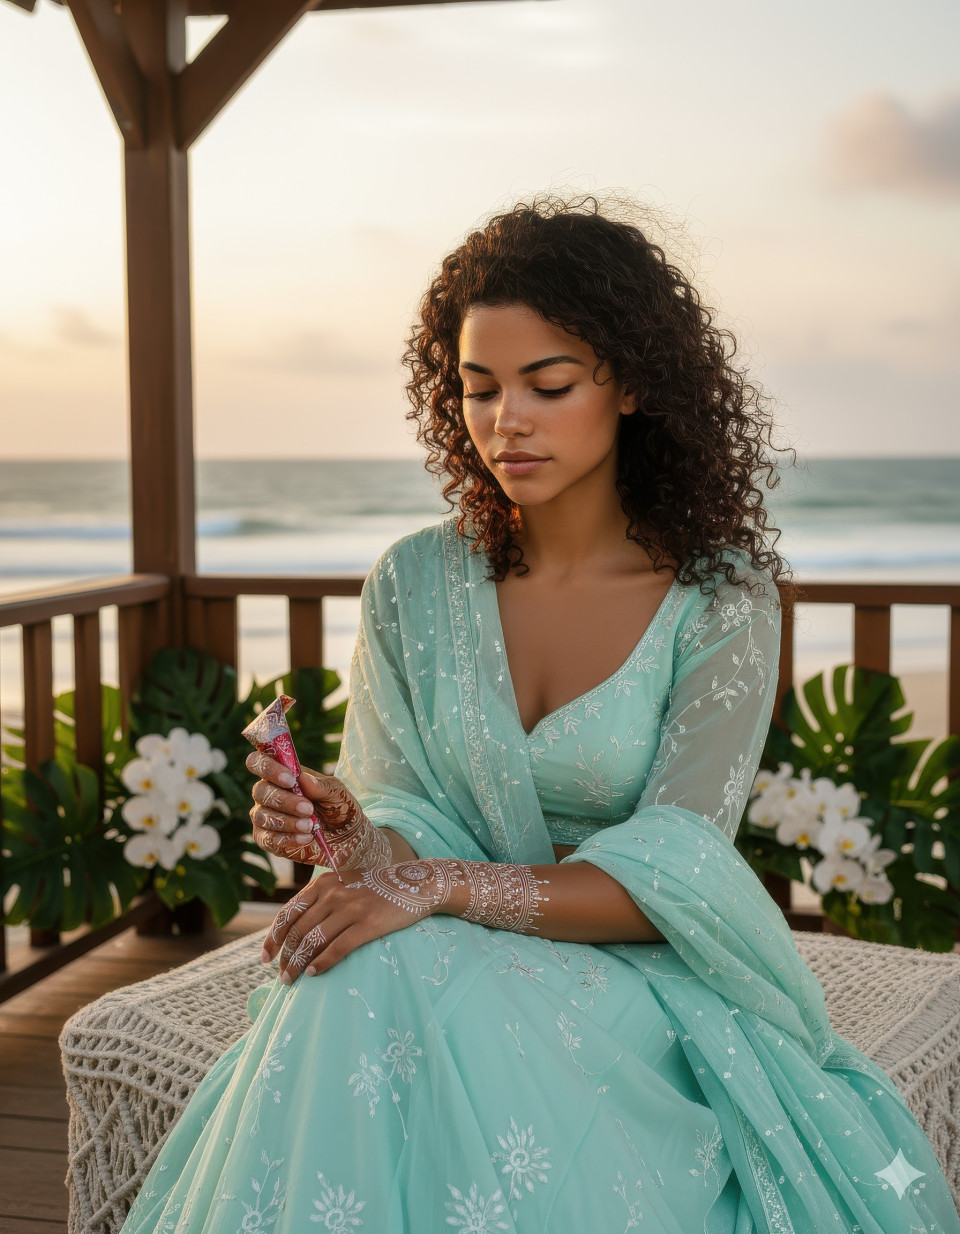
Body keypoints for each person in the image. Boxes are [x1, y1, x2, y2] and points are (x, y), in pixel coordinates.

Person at [121, 196, 960, 1233]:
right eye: (477, 389)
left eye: (547, 384)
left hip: (633, 978)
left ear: (635, 384)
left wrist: (432, 884)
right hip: (443, 940)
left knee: (370, 977)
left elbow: (675, 880)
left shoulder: (719, 598)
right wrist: (353, 831)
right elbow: (398, 834)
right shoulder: (412, 584)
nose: (504, 420)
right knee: (351, 976)